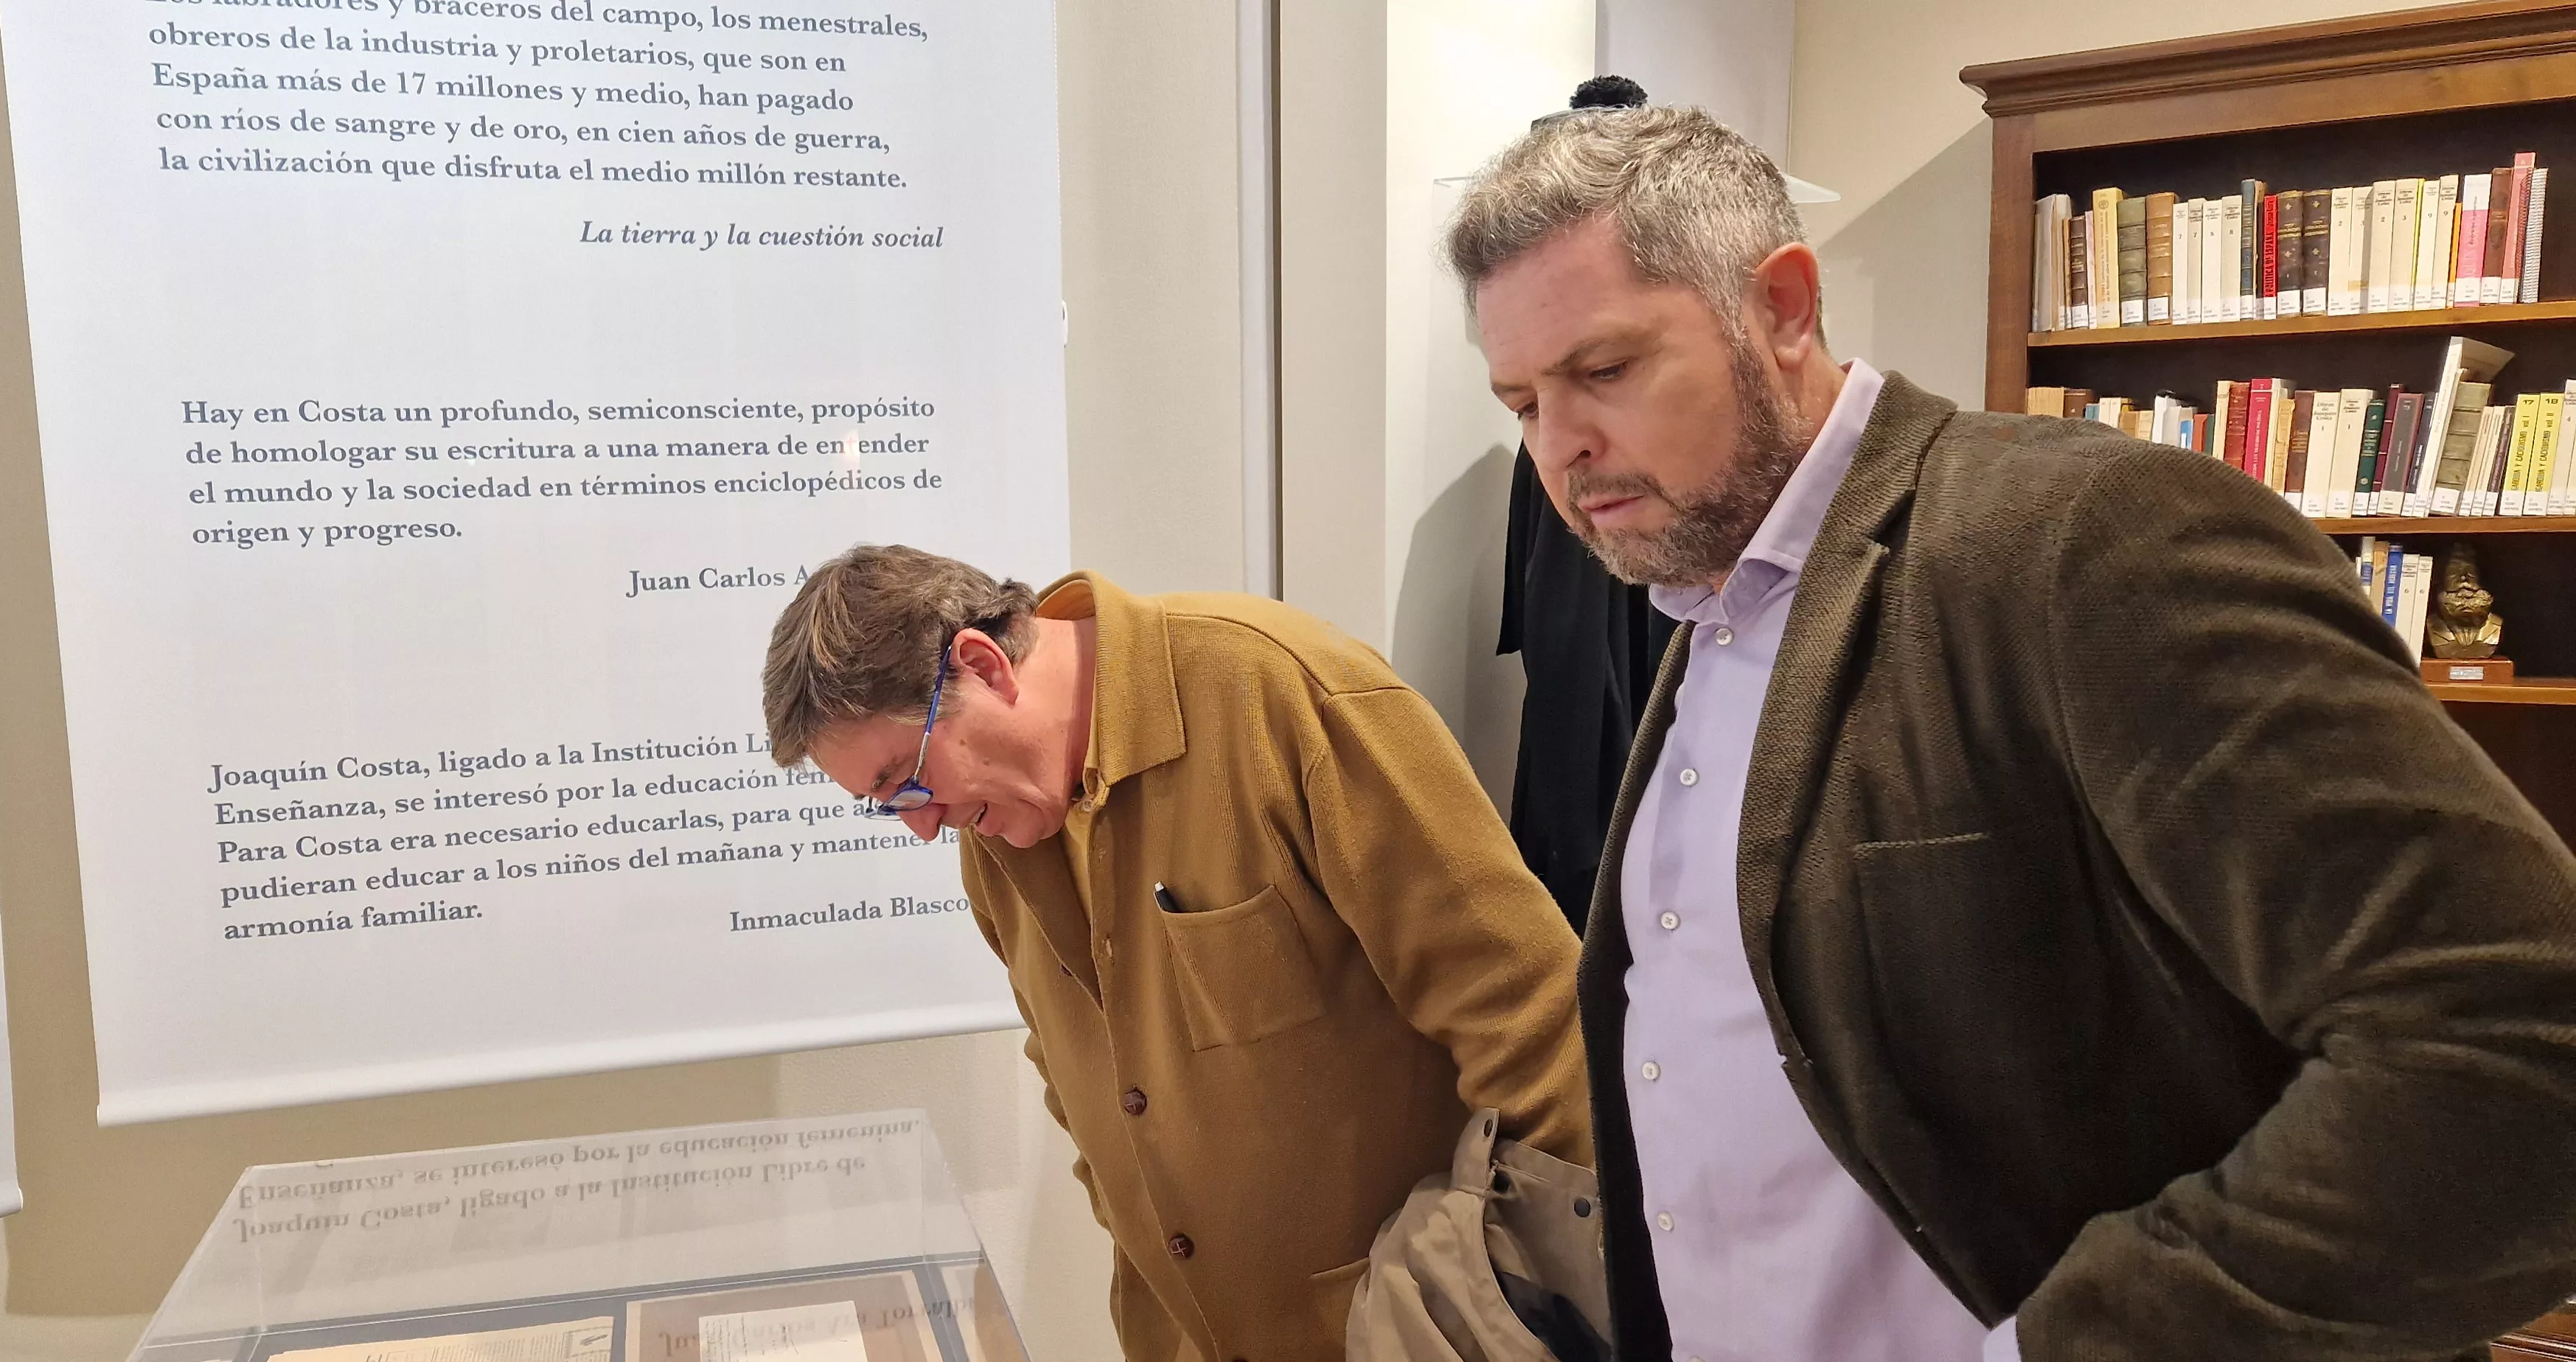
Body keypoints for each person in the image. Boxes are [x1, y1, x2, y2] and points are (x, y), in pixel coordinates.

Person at [1449, 83, 2576, 1362]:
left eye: (1604, 370)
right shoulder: (1708, 599)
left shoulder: (2084, 542)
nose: (1564, 447)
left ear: (1781, 307)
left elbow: (2522, 1047)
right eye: (1524, 404)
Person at [758, 548, 1592, 1362]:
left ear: (981, 665)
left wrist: (1508, 1299)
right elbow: (1074, 1075)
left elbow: (1531, 1011)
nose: (921, 823)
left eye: (907, 776)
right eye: (885, 805)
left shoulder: (1278, 692)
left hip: (1415, 1330)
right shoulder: (998, 842)